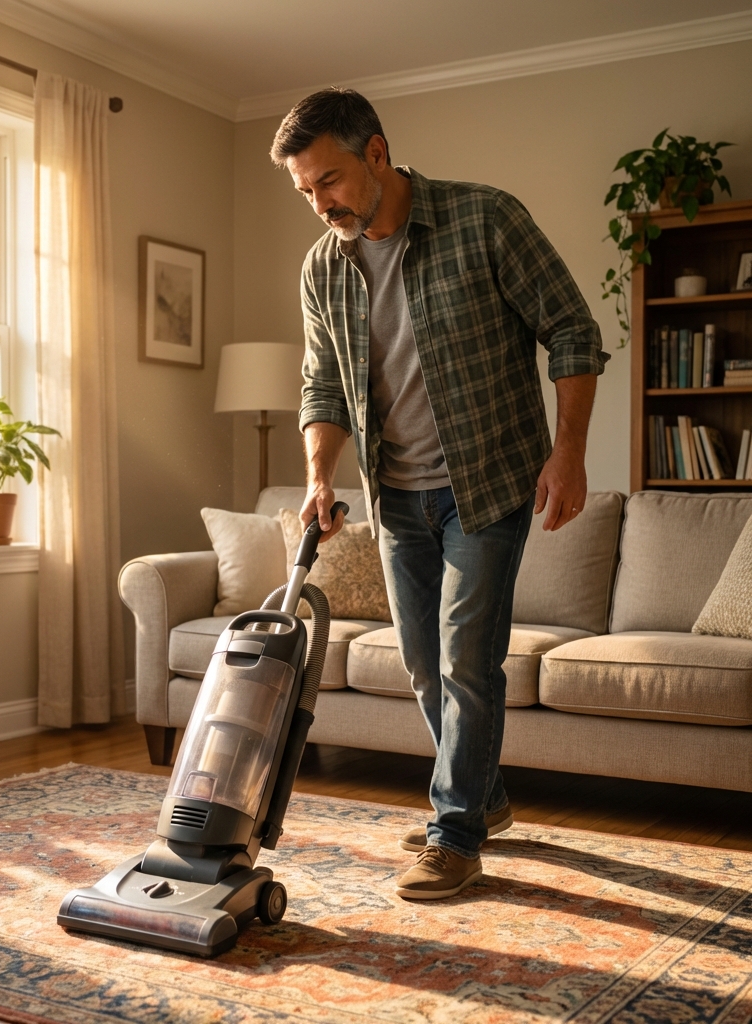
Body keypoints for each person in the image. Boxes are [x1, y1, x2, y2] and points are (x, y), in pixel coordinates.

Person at [271, 89, 607, 900]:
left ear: (377, 154)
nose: (321, 205)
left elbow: (571, 328)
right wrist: (318, 475)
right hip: (393, 497)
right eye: (306, 192)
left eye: (331, 181)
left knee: (465, 656)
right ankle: (485, 801)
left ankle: (454, 833)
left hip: (486, 481)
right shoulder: (325, 267)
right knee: (423, 665)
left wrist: (569, 453)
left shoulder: (484, 218)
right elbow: (322, 383)